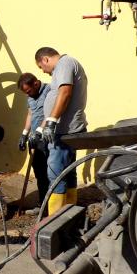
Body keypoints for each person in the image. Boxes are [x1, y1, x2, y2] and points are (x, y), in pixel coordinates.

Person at [35, 47, 88, 215]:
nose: (43, 71)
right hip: (64, 129)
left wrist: (51, 122)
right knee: (68, 173)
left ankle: (54, 220)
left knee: (55, 174)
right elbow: (54, 102)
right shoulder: (62, 68)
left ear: (45, 59)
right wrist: (40, 128)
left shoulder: (65, 63)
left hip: (64, 131)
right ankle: (69, 214)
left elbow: (64, 93)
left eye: (41, 67)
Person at [17, 73, 50, 212]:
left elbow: (50, 114)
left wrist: (39, 131)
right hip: (34, 140)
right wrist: (25, 133)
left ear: (36, 84)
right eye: (25, 93)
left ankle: (50, 206)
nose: (28, 95)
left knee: (48, 173)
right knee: (39, 173)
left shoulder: (49, 91)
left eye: (29, 91)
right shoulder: (30, 96)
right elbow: (31, 114)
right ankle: (42, 204)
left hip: (46, 138)